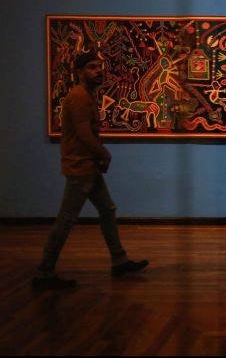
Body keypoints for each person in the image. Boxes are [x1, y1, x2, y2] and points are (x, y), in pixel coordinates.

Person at [34, 52, 149, 290]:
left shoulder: (86, 95)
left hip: (89, 165)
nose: (98, 71)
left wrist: (98, 158)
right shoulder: (78, 97)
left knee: (107, 209)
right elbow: (84, 135)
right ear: (79, 72)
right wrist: (105, 154)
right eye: (92, 67)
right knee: (67, 219)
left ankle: (119, 260)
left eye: (99, 67)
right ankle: (44, 272)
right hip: (80, 166)